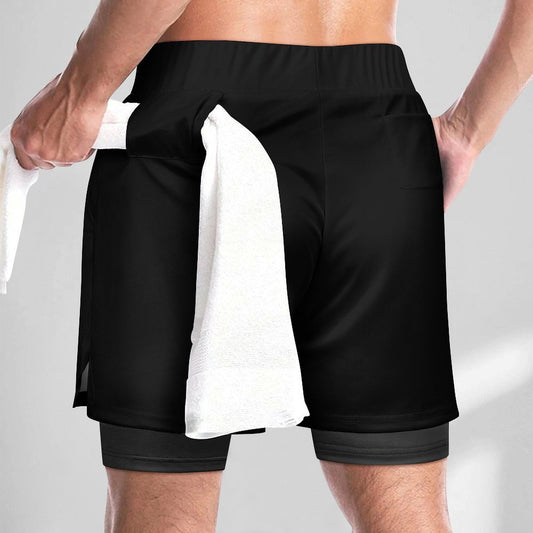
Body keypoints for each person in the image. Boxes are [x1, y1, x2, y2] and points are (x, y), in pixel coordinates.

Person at [9, 0, 533, 532]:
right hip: (376, 134)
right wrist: (466, 130)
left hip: (196, 131)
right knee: (407, 517)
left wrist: (79, 92)